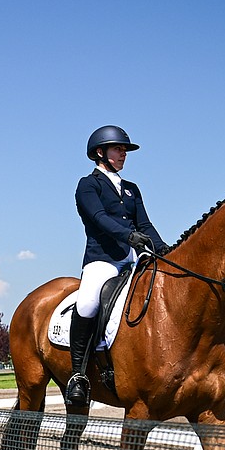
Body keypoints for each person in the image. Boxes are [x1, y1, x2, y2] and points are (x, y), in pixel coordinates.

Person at [66, 125, 167, 406]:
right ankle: (78, 376)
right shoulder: (88, 185)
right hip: (103, 260)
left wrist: (164, 249)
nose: (123, 154)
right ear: (101, 152)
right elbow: (98, 218)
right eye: (118, 149)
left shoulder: (132, 189)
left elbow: (145, 223)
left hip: (134, 258)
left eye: (124, 150)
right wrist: (128, 235)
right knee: (86, 303)